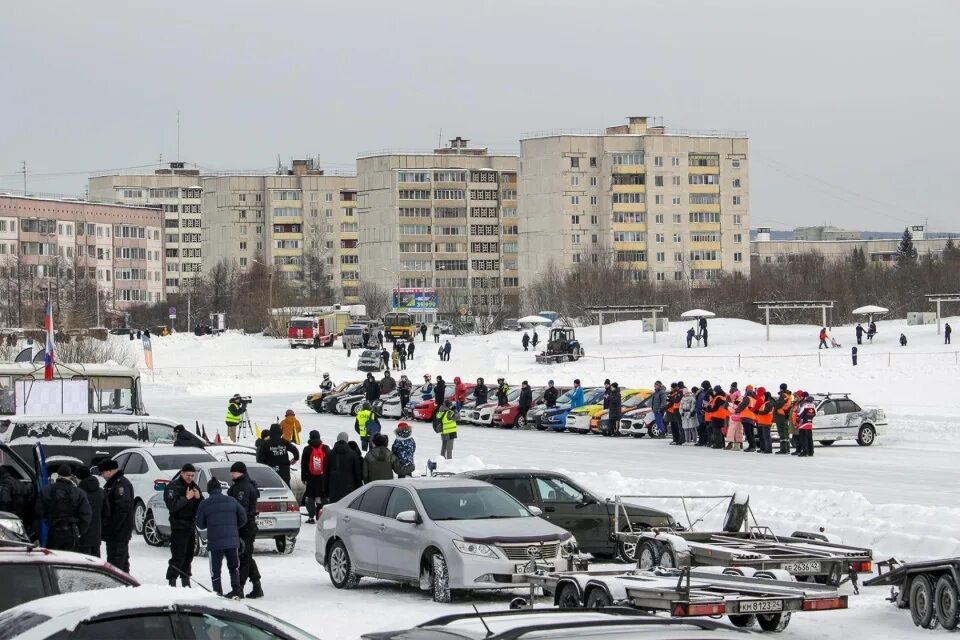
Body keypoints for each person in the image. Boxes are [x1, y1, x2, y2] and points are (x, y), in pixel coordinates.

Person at [196, 477, 246, 599]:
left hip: (215, 543)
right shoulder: (232, 500)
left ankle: (218, 593)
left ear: (208, 491)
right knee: (234, 567)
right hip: (232, 542)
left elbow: (200, 524)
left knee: (215, 570)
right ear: (220, 489)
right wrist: (234, 528)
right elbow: (243, 517)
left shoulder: (204, 504)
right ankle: (236, 590)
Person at [164, 463, 203, 587]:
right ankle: (172, 579)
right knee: (178, 554)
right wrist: (186, 498)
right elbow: (172, 506)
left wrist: (198, 498)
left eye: (192, 475)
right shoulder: (173, 487)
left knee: (189, 555)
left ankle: (185, 580)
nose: (190, 477)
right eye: (188, 475)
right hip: (178, 525)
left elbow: (200, 507)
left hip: (190, 525)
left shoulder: (194, 486)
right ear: (181, 473)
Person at [228, 462, 263, 599]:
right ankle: (256, 585)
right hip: (248, 526)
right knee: (246, 556)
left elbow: (240, 510)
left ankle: (240, 588)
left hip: (244, 527)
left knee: (243, 558)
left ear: (240, 472)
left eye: (233, 472)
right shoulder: (246, 484)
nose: (231, 475)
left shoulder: (242, 488)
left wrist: (236, 525)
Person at [37, 466, 91, 553]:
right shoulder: (79, 492)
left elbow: (39, 510)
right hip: (71, 533)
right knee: (69, 562)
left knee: (53, 559)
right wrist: (80, 531)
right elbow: (86, 514)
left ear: (58, 475)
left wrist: (48, 520)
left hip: (53, 531)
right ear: (70, 476)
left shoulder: (46, 490)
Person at [98, 459, 133, 572]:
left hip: (119, 531)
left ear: (109, 472)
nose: (102, 476)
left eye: (102, 473)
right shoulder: (113, 484)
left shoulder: (120, 484)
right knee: (120, 559)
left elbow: (123, 508)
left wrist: (112, 527)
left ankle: (118, 585)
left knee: (116, 560)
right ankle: (125, 583)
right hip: (116, 530)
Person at [75, 467, 107, 558]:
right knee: (96, 563)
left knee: (84, 563)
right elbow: (106, 513)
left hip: (82, 535)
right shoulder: (101, 492)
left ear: (80, 478)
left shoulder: (78, 493)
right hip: (97, 534)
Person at [323, 432, 363, 502]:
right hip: (350, 489)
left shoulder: (329, 454)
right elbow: (357, 474)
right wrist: (359, 488)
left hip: (333, 489)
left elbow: (325, 474)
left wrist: (326, 492)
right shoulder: (353, 454)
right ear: (347, 440)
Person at [300, 432, 328, 524]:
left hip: (311, 477)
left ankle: (311, 517)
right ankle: (322, 516)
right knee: (323, 496)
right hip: (323, 477)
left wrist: (303, 477)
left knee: (310, 497)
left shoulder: (307, 449)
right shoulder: (325, 448)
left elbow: (304, 464)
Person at [773, 384, 794, 455]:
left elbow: (779, 405)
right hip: (785, 415)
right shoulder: (789, 395)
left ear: (781, 389)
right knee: (785, 432)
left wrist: (774, 403)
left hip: (781, 415)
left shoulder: (783, 395)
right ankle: (787, 448)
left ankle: (783, 449)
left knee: (782, 432)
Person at [795, 392, 817, 457]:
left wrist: (797, 420)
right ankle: (811, 452)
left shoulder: (804, 405)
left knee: (803, 438)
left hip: (803, 424)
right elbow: (815, 413)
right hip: (809, 424)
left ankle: (805, 452)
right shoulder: (813, 405)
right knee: (810, 438)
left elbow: (800, 414)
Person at [754, 388, 774, 454]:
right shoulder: (766, 403)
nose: (763, 397)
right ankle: (763, 448)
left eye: (764, 396)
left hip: (766, 421)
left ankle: (768, 449)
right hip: (762, 421)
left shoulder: (769, 403)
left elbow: (766, 411)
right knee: (763, 436)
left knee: (767, 436)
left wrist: (759, 412)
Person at [738, 386, 757, 452]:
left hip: (746, 417)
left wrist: (737, 410)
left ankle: (751, 446)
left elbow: (742, 406)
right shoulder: (754, 399)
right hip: (752, 417)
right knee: (751, 433)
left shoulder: (747, 398)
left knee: (748, 433)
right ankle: (753, 446)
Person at [725, 383, 743, 450]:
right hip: (737, 417)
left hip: (735, 417)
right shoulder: (739, 398)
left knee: (734, 430)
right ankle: (738, 445)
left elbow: (735, 409)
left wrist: (728, 407)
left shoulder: (737, 399)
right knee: (738, 430)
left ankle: (735, 445)